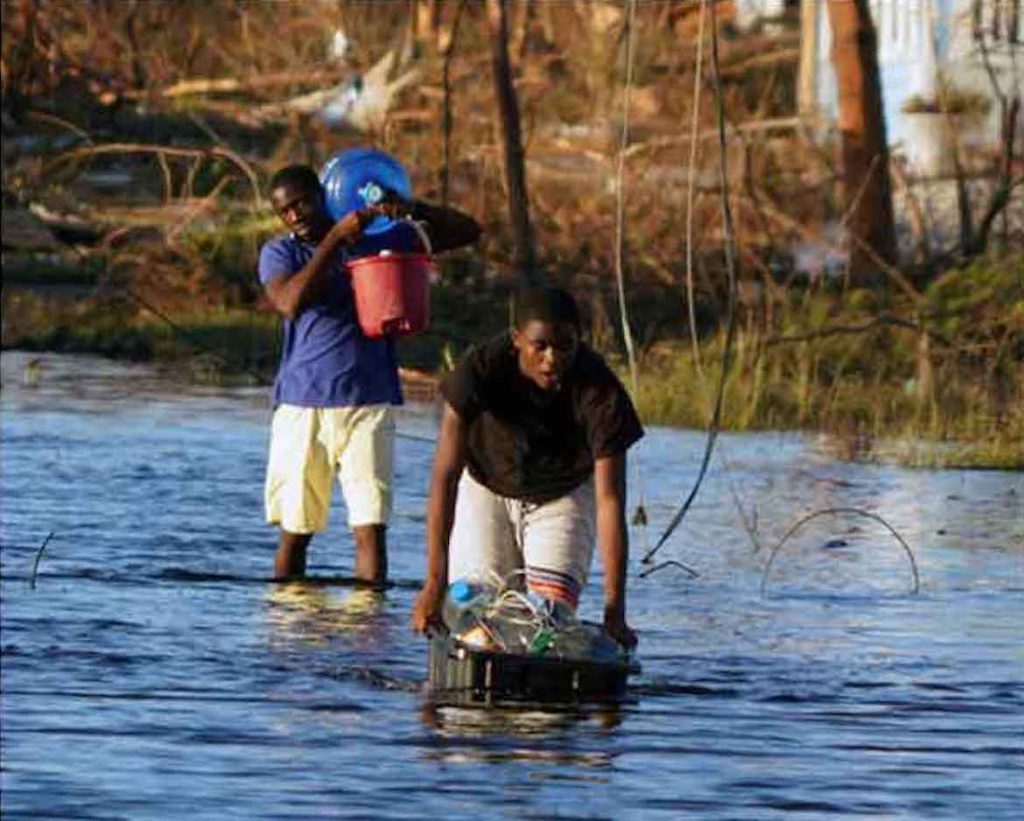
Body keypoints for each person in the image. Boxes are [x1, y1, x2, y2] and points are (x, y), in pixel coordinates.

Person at [259, 162, 480, 583]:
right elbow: (289, 301)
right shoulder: (282, 253)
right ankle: (288, 625)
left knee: (370, 529)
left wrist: (410, 207)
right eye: (284, 211)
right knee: (296, 531)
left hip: (369, 400)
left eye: (302, 203)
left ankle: (369, 631)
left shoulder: (381, 241)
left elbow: (468, 231)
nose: (295, 215)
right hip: (303, 404)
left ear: (326, 194)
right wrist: (335, 241)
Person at [411, 287, 642, 647]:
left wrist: (616, 609)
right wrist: (433, 583)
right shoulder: (476, 373)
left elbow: (610, 501)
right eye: (541, 347)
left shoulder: (601, 392)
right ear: (517, 340)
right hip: (486, 485)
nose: (552, 358)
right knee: (473, 612)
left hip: (561, 495)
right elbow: (445, 476)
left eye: (565, 346)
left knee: (547, 621)